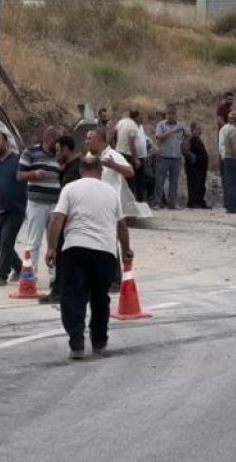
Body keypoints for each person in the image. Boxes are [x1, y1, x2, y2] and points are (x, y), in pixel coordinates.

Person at [45, 154, 134, 360]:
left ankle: (76, 341)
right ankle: (99, 342)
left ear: (80, 170)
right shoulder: (111, 192)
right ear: (101, 171)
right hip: (104, 251)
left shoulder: (70, 188)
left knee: (72, 295)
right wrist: (127, 250)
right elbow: (121, 225)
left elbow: (57, 217)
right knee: (100, 297)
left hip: (75, 248)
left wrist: (51, 247)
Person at [84, 129, 134, 291]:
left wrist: (113, 165)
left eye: (89, 138)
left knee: (111, 242)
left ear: (99, 140)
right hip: (92, 206)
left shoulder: (112, 155)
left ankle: (115, 280)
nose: (87, 141)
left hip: (110, 207)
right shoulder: (90, 157)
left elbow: (130, 172)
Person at [17, 126, 63, 283]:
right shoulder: (30, 153)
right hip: (37, 203)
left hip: (56, 204)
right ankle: (30, 275)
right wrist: (34, 174)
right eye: (56, 141)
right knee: (33, 240)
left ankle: (55, 276)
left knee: (55, 241)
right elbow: (19, 175)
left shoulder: (59, 155)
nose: (58, 145)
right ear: (48, 139)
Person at [40, 135, 82, 305]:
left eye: (58, 150)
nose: (56, 154)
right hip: (73, 220)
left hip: (69, 220)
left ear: (66, 149)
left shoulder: (73, 171)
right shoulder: (71, 168)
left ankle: (59, 290)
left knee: (62, 256)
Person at [0, 132, 27, 286]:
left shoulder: (19, 160)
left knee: (7, 241)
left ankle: (1, 274)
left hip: (15, 209)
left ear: (6, 142)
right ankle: (19, 266)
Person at [153, 106, 186, 210]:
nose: (171, 116)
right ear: (166, 115)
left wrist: (185, 132)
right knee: (160, 181)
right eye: (169, 113)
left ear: (176, 115)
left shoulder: (181, 125)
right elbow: (158, 136)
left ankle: (172, 203)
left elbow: (187, 136)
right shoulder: (161, 124)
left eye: (173, 113)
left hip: (176, 157)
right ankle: (158, 203)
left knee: (174, 182)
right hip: (163, 156)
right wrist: (170, 132)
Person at [182, 122, 210, 209]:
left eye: (200, 129)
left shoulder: (198, 140)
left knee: (201, 186)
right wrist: (193, 158)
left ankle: (200, 202)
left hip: (201, 168)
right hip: (193, 168)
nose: (199, 131)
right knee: (193, 185)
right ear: (193, 130)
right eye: (198, 129)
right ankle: (193, 203)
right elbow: (184, 150)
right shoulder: (189, 139)